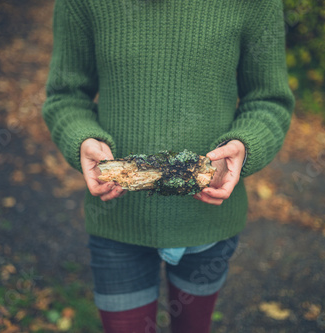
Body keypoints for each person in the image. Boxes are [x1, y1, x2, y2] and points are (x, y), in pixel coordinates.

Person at [42, 0, 295, 332]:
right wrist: (81, 138)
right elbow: (66, 95)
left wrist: (246, 144)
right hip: (118, 220)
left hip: (208, 221)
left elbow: (268, 100)